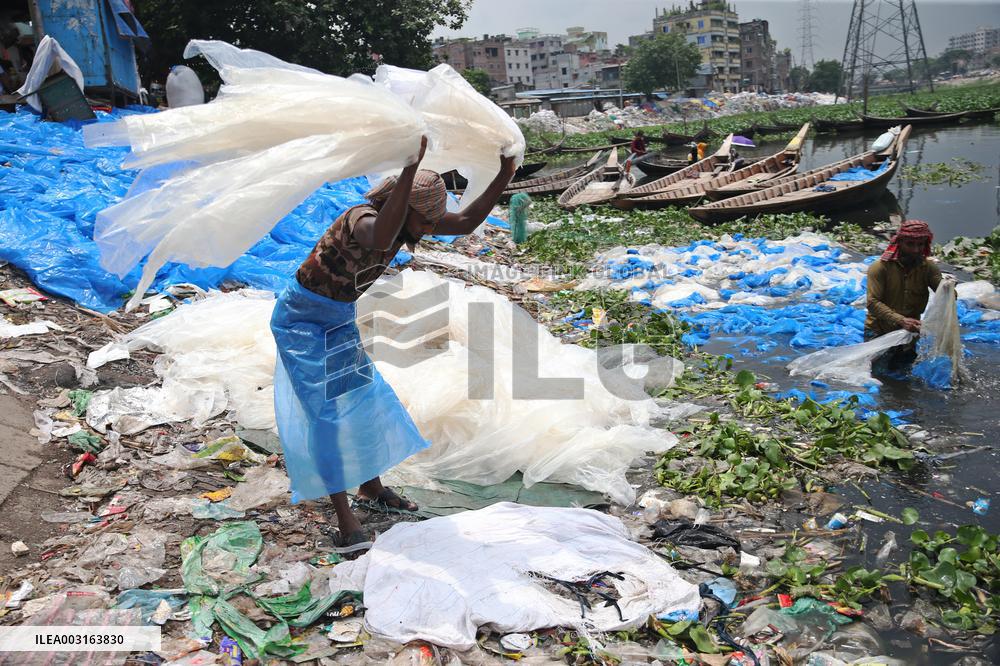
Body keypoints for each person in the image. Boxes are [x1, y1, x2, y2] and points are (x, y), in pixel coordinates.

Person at [271, 137, 517, 545]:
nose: (428, 229)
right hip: (300, 322)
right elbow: (382, 236)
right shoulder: (362, 219)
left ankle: (371, 486)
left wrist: (504, 175)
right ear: (403, 209)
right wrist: (410, 167)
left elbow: (467, 222)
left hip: (336, 318)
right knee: (327, 416)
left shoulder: (401, 224)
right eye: (425, 220)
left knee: (363, 402)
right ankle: (344, 517)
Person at [865, 219, 942, 373]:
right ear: (899, 243)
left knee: (904, 372)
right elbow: (872, 303)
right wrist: (900, 320)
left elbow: (944, 293)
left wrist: (948, 288)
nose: (916, 250)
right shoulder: (880, 268)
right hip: (880, 330)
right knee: (877, 375)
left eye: (920, 245)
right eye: (910, 244)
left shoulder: (928, 268)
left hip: (910, 333)